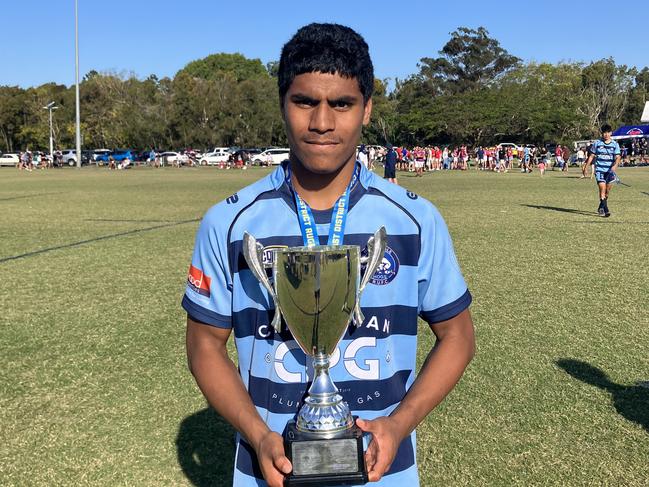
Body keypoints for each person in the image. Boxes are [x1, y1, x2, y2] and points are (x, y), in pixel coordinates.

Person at [182, 23, 475, 487]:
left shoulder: (413, 221)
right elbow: (203, 345)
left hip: (385, 474)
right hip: (267, 474)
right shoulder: (230, 222)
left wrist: (399, 425)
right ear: (283, 104)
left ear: (366, 109)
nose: (322, 122)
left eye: (341, 103)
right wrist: (258, 436)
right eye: (305, 102)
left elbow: (457, 336)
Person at [582, 124, 621, 217]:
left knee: (607, 191)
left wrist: (615, 166)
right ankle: (606, 209)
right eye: (604, 133)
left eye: (608, 132)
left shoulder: (615, 144)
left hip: (610, 171)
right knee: (602, 189)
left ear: (611, 133)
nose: (606, 134)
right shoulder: (597, 143)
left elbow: (618, 157)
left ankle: (601, 206)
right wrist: (586, 167)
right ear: (602, 133)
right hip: (600, 170)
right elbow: (591, 156)